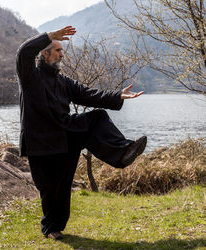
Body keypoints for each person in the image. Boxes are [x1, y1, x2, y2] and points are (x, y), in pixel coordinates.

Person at [16, 26, 147, 240]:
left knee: (97, 118)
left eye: (61, 50)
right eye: (57, 50)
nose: (62, 53)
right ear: (44, 53)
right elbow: (23, 52)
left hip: (64, 135)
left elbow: (88, 94)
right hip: (40, 142)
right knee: (49, 187)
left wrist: (117, 95)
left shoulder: (62, 81)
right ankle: (51, 228)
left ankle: (124, 152)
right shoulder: (30, 75)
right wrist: (49, 36)